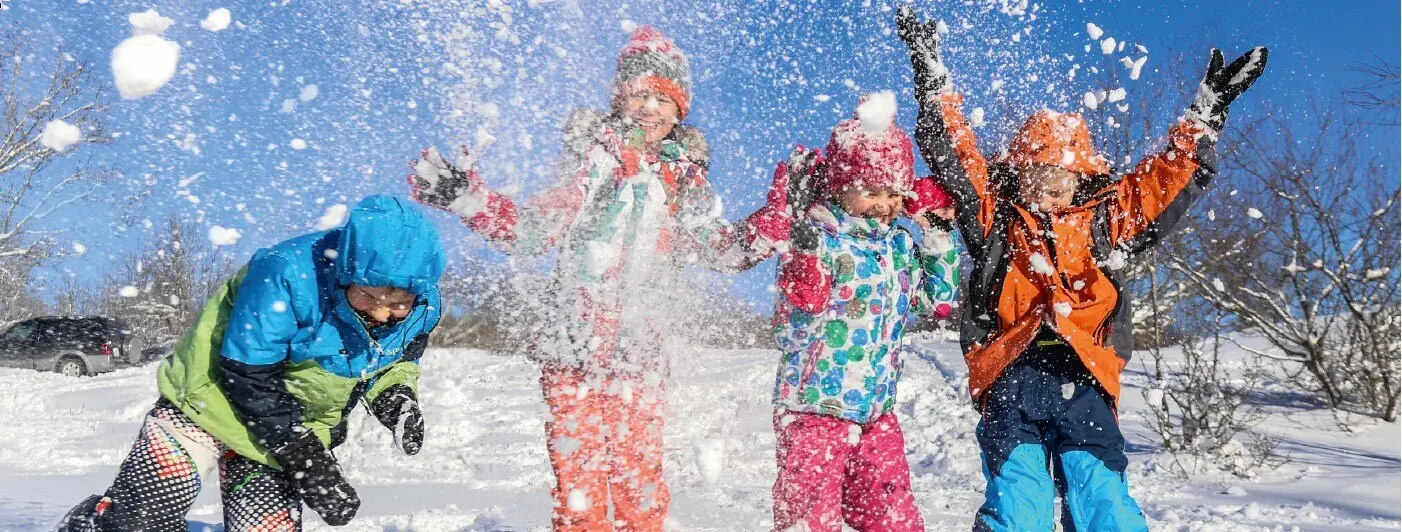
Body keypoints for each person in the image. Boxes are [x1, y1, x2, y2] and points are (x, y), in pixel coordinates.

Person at [408, 26, 799, 532]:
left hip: (642, 358)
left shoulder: (684, 182)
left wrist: (779, 216)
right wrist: (471, 200)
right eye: (640, 93)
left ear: (681, 110)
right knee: (579, 489)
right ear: (619, 99)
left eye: (665, 98)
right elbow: (532, 232)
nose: (651, 107)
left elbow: (723, 250)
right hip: (571, 351)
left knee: (639, 483)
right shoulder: (591, 163)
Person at [896, 7, 1268, 530]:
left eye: (1061, 183)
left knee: (1103, 502)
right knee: (1018, 501)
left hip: (1086, 377)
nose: (1049, 193)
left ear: (1082, 183)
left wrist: (1203, 118)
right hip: (1011, 374)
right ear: (1016, 178)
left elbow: (1163, 183)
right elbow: (956, 151)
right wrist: (932, 78)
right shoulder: (997, 220)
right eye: (1037, 180)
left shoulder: (1104, 225)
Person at [60, 195, 446, 531]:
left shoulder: (422, 308)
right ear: (347, 271)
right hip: (205, 402)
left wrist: (395, 400)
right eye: (368, 296)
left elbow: (389, 361)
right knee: (142, 521)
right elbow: (248, 375)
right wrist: (307, 459)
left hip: (284, 431)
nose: (381, 314)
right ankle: (91, 525)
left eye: (398, 303)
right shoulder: (287, 273)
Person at [767, 95, 961, 532]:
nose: (885, 204)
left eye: (895, 193)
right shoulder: (820, 237)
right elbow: (795, 318)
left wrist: (938, 233)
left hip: (876, 412)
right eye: (872, 191)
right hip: (814, 408)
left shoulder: (898, 246)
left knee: (892, 516)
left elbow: (939, 301)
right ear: (841, 186)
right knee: (810, 516)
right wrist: (804, 259)